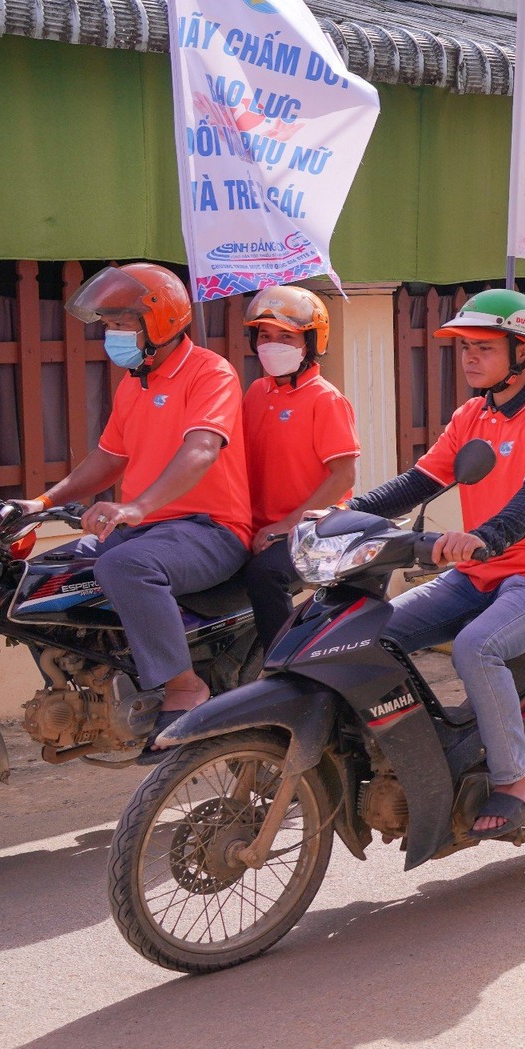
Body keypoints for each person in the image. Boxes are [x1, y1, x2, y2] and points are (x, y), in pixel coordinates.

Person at [348, 291, 525, 839]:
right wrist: (344, 515)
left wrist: (486, 536)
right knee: (370, 632)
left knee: (475, 647)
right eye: (465, 349)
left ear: (523, 350)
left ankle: (515, 780)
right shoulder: (471, 416)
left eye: (483, 347)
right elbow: (419, 483)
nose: (469, 359)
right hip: (476, 573)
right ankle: (426, 747)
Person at [30, 263, 252, 749]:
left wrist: (137, 506)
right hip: (151, 530)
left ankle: (184, 687)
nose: (112, 335)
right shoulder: (135, 382)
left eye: (122, 324)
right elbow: (110, 457)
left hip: (210, 530)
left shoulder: (211, 372)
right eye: (108, 325)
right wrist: (42, 501)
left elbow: (201, 450)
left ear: (162, 322)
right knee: (46, 575)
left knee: (126, 565)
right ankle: (90, 684)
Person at [238, 287, 359, 646]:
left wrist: (287, 524)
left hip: (312, 528)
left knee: (264, 574)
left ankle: (283, 664)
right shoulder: (256, 392)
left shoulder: (325, 399)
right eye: (265, 336)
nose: (272, 345)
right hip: (257, 526)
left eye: (285, 337)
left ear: (309, 342)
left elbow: (344, 476)